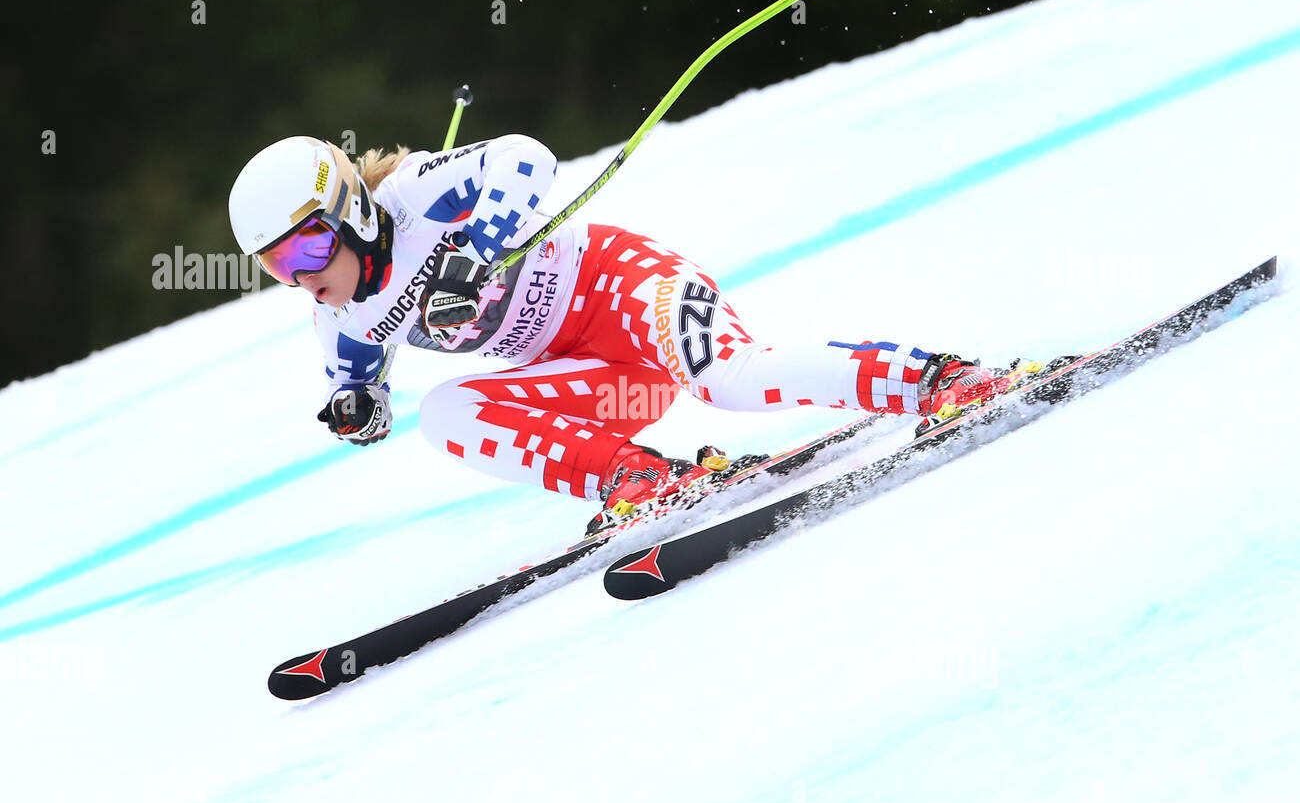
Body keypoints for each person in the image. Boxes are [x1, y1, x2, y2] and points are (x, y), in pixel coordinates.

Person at [228, 134, 1022, 533]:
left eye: (306, 245)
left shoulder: (414, 196)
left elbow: (524, 158)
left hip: (624, 284)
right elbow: (356, 386)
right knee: (446, 414)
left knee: (734, 381)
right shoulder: (341, 315)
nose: (299, 273)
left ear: (353, 211)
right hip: (600, 379)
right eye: (274, 264)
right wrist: (357, 409)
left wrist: (472, 252)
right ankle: (638, 479)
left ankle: (939, 380)